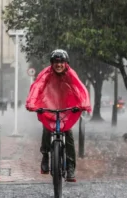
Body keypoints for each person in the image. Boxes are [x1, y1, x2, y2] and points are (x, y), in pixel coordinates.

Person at [26, 49, 91, 182]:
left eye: (61, 62)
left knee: (69, 135)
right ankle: (45, 155)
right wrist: (32, 104)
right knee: (47, 129)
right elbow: (37, 87)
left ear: (66, 63)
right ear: (52, 63)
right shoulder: (46, 74)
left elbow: (80, 88)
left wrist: (83, 104)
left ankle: (70, 168)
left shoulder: (70, 74)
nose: (59, 64)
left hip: (66, 107)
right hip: (49, 105)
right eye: (56, 62)